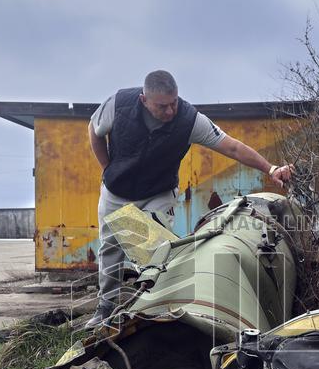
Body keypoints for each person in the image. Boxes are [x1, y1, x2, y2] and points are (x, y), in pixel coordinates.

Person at [86, 70, 295, 327]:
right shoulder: (118, 105)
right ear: (144, 100)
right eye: (162, 106)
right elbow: (94, 131)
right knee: (110, 249)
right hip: (116, 191)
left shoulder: (189, 120)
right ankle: (105, 308)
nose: (170, 111)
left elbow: (231, 146)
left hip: (157, 192)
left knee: (155, 250)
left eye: (174, 102)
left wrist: (270, 168)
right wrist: (108, 169)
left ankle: (153, 309)